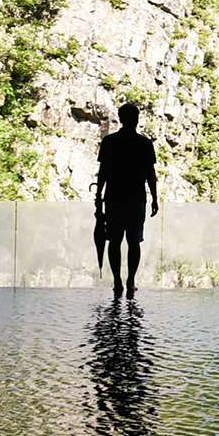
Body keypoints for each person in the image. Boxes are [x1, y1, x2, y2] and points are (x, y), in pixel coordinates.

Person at [96, 102, 158, 298]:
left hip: (114, 197)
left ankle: (117, 281)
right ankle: (131, 280)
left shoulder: (110, 142)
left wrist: (98, 195)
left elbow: (103, 171)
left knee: (114, 241)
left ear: (121, 118)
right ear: (136, 119)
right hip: (136, 198)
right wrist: (155, 198)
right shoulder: (144, 143)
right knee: (134, 241)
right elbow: (150, 173)